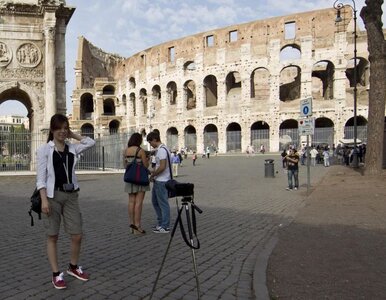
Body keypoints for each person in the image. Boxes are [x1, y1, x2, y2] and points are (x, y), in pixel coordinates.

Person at [36, 113, 95, 289]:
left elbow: (91, 142)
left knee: (77, 234)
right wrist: (44, 200)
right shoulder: (44, 150)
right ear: (52, 129)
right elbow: (40, 179)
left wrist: (73, 134)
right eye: (59, 128)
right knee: (52, 235)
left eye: (65, 127)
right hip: (52, 196)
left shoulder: (72, 148)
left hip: (71, 195)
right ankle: (56, 274)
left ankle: (73, 267)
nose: (62, 131)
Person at [123, 132, 150, 235]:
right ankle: (137, 226)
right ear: (139, 141)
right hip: (140, 179)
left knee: (131, 202)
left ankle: (131, 225)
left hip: (130, 178)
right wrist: (148, 159)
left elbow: (125, 166)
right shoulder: (140, 151)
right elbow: (146, 165)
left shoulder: (125, 151)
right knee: (138, 203)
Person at [146, 131, 171, 234]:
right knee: (155, 202)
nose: (150, 144)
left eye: (150, 142)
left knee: (163, 204)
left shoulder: (162, 151)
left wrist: (153, 175)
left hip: (162, 181)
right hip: (159, 180)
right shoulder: (162, 149)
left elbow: (162, 166)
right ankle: (161, 223)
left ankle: (165, 226)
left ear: (155, 139)